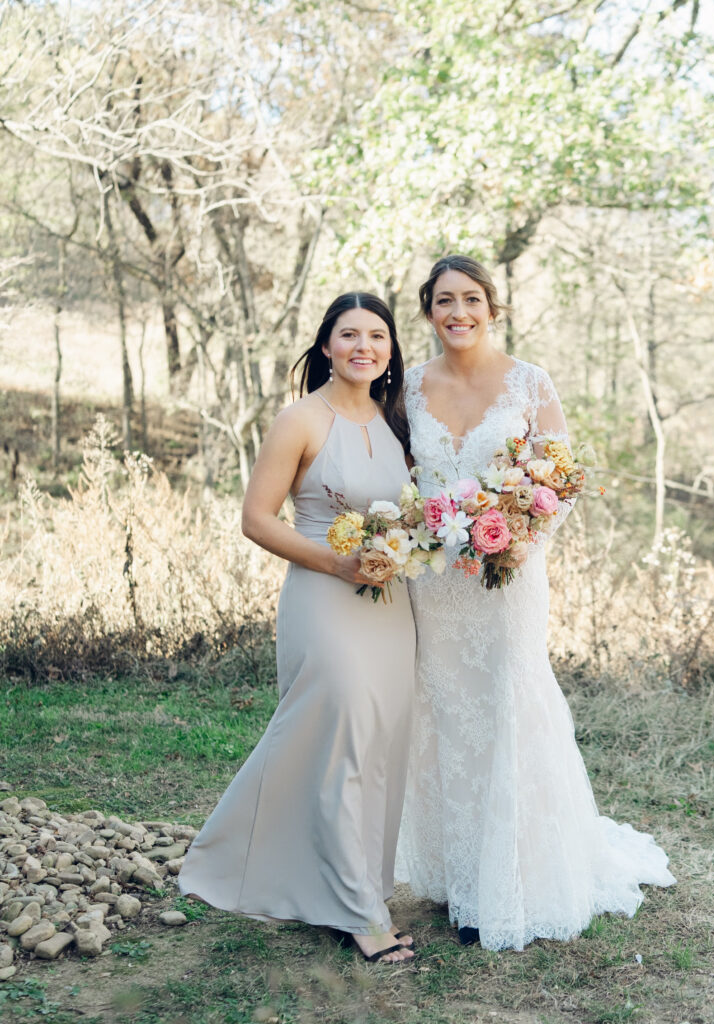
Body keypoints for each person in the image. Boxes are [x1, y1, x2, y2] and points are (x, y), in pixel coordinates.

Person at [395, 254, 675, 952]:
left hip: (507, 578)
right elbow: (399, 475)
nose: (458, 312)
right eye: (443, 301)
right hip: (433, 584)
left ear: (495, 307)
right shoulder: (407, 387)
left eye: (470, 299)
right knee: (447, 713)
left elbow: (561, 479)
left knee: (507, 705)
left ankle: (514, 881)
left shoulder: (530, 382)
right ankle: (462, 877)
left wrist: (521, 540)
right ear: (428, 312)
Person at [179, 293, 416, 963]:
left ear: (391, 351)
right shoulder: (300, 419)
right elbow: (258, 519)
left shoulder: (398, 422)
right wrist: (340, 564)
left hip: (393, 604)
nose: (363, 346)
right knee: (338, 738)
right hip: (322, 591)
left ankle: (362, 889)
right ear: (325, 346)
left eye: (377, 335)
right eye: (349, 335)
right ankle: (357, 915)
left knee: (379, 749)